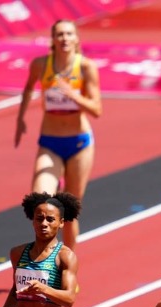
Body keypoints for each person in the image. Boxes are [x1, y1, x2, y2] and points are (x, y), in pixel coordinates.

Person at [14, 18, 101, 250]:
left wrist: (73, 95)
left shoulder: (85, 67)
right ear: (52, 39)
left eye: (69, 34)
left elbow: (96, 109)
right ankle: (45, 259)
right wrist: (20, 119)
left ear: (76, 39)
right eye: (59, 34)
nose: (64, 38)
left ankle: (68, 266)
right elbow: (28, 87)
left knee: (69, 213)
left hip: (79, 144)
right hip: (50, 142)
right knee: (41, 202)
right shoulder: (41, 65)